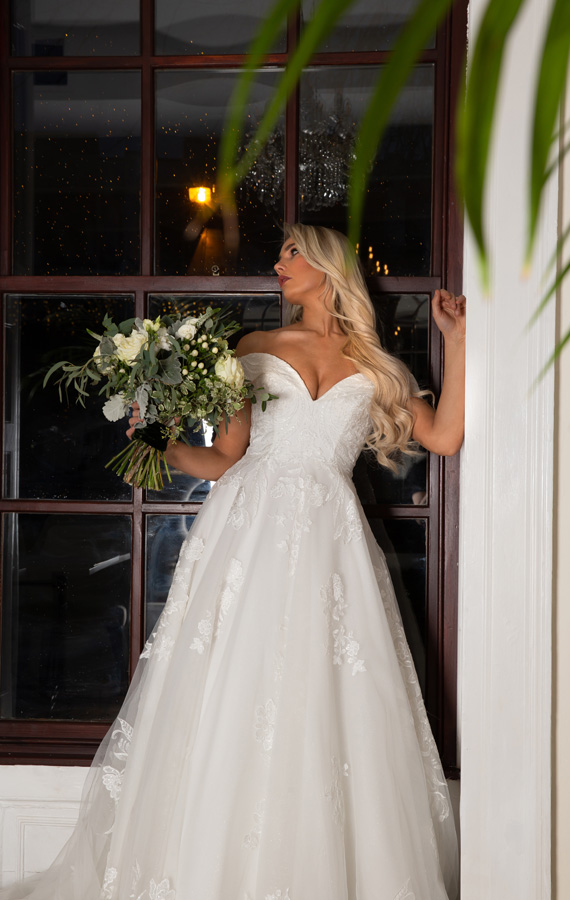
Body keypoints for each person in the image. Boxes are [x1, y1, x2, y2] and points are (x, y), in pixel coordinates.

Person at [2, 224, 464, 900]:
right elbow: (223, 459)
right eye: (280, 252)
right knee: (230, 685)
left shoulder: (373, 365)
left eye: (291, 252)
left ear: (328, 268)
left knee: (326, 695)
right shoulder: (252, 348)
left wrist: (455, 340)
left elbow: (445, 436)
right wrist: (156, 439)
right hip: (247, 532)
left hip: (330, 543)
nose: (278, 264)